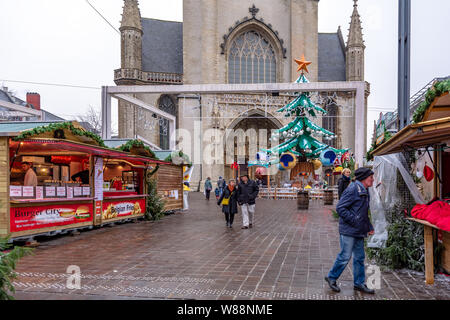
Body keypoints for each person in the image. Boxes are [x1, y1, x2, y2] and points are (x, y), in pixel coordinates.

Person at [325, 167, 376, 294]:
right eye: (371, 177)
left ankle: (359, 283)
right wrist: (355, 221)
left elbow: (363, 212)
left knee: (359, 257)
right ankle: (331, 277)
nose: (373, 179)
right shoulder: (353, 189)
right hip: (349, 230)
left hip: (358, 230)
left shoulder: (364, 190)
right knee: (345, 256)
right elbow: (340, 208)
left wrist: (368, 227)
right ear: (364, 178)